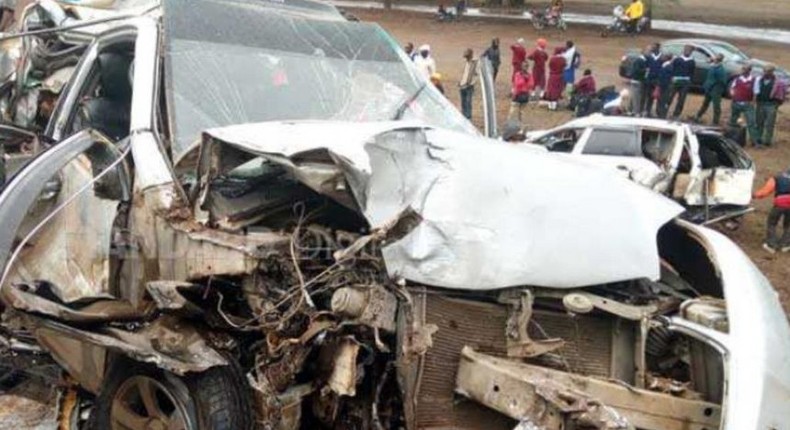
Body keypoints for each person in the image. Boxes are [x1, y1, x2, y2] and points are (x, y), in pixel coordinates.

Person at [753, 167, 790, 253]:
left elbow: (765, 191)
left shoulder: (777, 178)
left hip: (780, 202)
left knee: (772, 223)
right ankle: (785, 245)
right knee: (788, 225)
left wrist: (754, 195)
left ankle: (771, 245)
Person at [754, 65, 788, 147]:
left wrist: (776, 104)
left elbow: (781, 94)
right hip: (761, 103)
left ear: (772, 72)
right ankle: (758, 138)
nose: (766, 73)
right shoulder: (759, 80)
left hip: (771, 104)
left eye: (768, 71)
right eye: (765, 71)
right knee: (759, 122)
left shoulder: (778, 82)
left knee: (770, 123)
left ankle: (767, 140)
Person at [728, 65, 761, 147]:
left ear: (749, 71)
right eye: (742, 69)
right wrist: (733, 95)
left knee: (751, 122)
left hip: (747, 103)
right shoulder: (737, 79)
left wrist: (753, 102)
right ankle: (732, 138)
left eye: (744, 69)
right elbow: (732, 88)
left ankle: (755, 141)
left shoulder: (754, 80)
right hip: (736, 102)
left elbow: (756, 92)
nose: (742, 71)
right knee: (733, 121)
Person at [693, 54, 727, 125]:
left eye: (716, 58)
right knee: (705, 103)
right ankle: (698, 116)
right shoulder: (713, 66)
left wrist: (717, 89)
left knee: (716, 105)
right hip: (710, 87)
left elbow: (722, 81)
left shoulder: (720, 69)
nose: (714, 59)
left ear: (718, 60)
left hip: (716, 89)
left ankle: (715, 121)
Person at [668, 45, 695, 119]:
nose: (687, 52)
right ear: (683, 50)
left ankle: (676, 114)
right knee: (670, 96)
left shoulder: (692, 61)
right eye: (686, 50)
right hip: (676, 80)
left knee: (681, 99)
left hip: (685, 82)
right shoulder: (678, 59)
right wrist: (671, 77)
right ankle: (664, 110)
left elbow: (692, 72)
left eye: (689, 51)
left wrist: (690, 81)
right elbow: (672, 68)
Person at [642, 43, 662, 116]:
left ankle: (655, 111)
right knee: (648, 96)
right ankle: (647, 110)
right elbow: (647, 68)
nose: (652, 49)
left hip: (657, 80)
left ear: (658, 48)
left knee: (656, 96)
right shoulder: (650, 57)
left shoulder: (661, 58)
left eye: (654, 47)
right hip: (649, 79)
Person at [459, 48, 479, 120]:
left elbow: (477, 75)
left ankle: (468, 116)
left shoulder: (475, 63)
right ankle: (463, 115)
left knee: (468, 101)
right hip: (462, 84)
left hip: (469, 86)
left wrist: (471, 83)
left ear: (470, 55)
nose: (466, 58)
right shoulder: (466, 62)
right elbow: (463, 73)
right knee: (463, 101)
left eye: (467, 56)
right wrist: (460, 82)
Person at [628, 47, 649, 116]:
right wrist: (645, 70)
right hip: (637, 81)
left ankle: (631, 110)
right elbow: (636, 71)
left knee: (634, 97)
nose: (649, 53)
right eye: (648, 51)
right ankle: (636, 112)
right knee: (637, 97)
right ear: (643, 52)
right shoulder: (640, 60)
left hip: (637, 81)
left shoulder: (643, 60)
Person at [655, 54, 674, 118]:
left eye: (664, 56)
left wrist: (659, 85)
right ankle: (660, 113)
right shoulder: (664, 65)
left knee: (663, 100)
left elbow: (665, 77)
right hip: (663, 85)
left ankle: (662, 114)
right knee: (660, 100)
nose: (662, 57)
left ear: (667, 58)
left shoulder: (668, 66)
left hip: (665, 86)